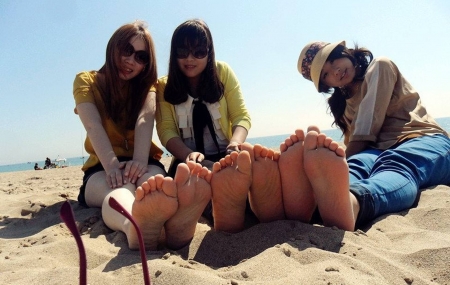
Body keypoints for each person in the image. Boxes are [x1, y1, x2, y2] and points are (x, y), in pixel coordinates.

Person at [282, 40, 450, 231]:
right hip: (376, 150)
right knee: (356, 166)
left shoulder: (380, 66)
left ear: (344, 52)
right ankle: (313, 203)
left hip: (421, 138)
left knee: (395, 164)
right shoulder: (341, 104)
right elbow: (356, 144)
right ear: (325, 84)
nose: (335, 71)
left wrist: (339, 159)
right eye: (326, 74)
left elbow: (365, 131)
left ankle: (352, 203)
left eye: (332, 59)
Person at [73, 21, 211, 251]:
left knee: (156, 188)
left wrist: (138, 162)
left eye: (141, 57)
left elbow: (145, 119)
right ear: (113, 46)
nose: (131, 61)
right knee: (119, 191)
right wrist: (113, 167)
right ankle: (133, 226)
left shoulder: (148, 85)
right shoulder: (86, 81)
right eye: (126, 51)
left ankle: (175, 225)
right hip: (102, 166)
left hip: (144, 161)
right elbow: (92, 125)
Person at [156, 19, 276, 231]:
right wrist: (187, 154)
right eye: (182, 51)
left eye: (199, 51)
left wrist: (235, 144)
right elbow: (166, 131)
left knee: (248, 164)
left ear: (209, 52)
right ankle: (228, 210)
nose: (190, 58)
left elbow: (242, 116)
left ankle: (260, 208)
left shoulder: (223, 72)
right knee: (200, 175)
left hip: (227, 155)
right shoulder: (164, 86)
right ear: (174, 54)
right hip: (189, 161)